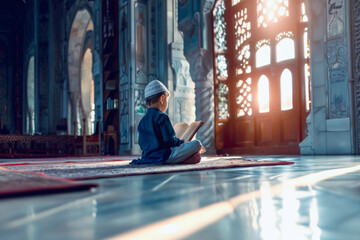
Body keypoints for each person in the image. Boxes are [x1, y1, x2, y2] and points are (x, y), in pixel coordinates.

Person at [131, 80, 203, 165]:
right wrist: (181, 142)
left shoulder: (142, 121)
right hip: (165, 156)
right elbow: (169, 141)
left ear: (148, 104)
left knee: (190, 152)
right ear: (162, 99)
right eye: (167, 100)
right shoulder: (162, 117)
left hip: (147, 157)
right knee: (197, 144)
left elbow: (142, 144)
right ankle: (182, 160)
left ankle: (183, 159)